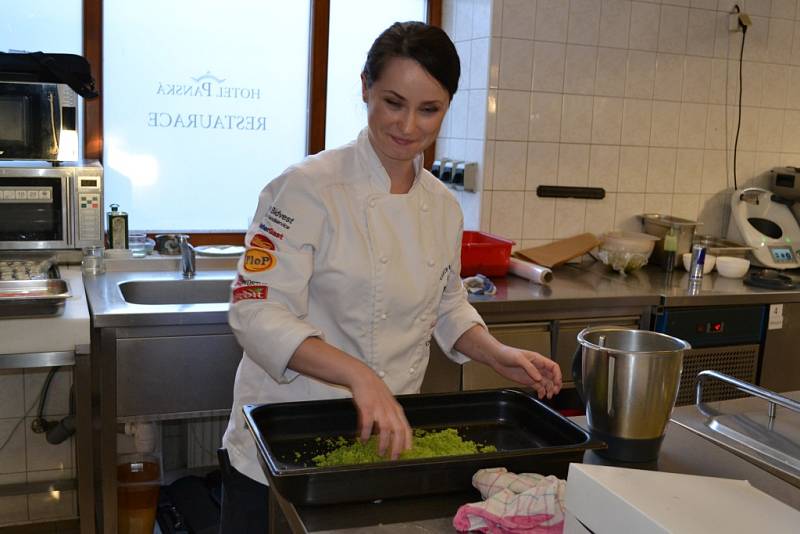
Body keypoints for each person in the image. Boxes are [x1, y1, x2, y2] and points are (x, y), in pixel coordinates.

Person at [218, 20, 562, 533]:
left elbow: (445, 304)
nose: (408, 126)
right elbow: (254, 310)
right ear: (365, 89)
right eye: (393, 102)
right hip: (285, 444)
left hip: (381, 445)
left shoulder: (442, 207)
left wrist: (500, 354)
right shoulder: (306, 189)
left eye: (429, 110)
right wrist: (361, 376)